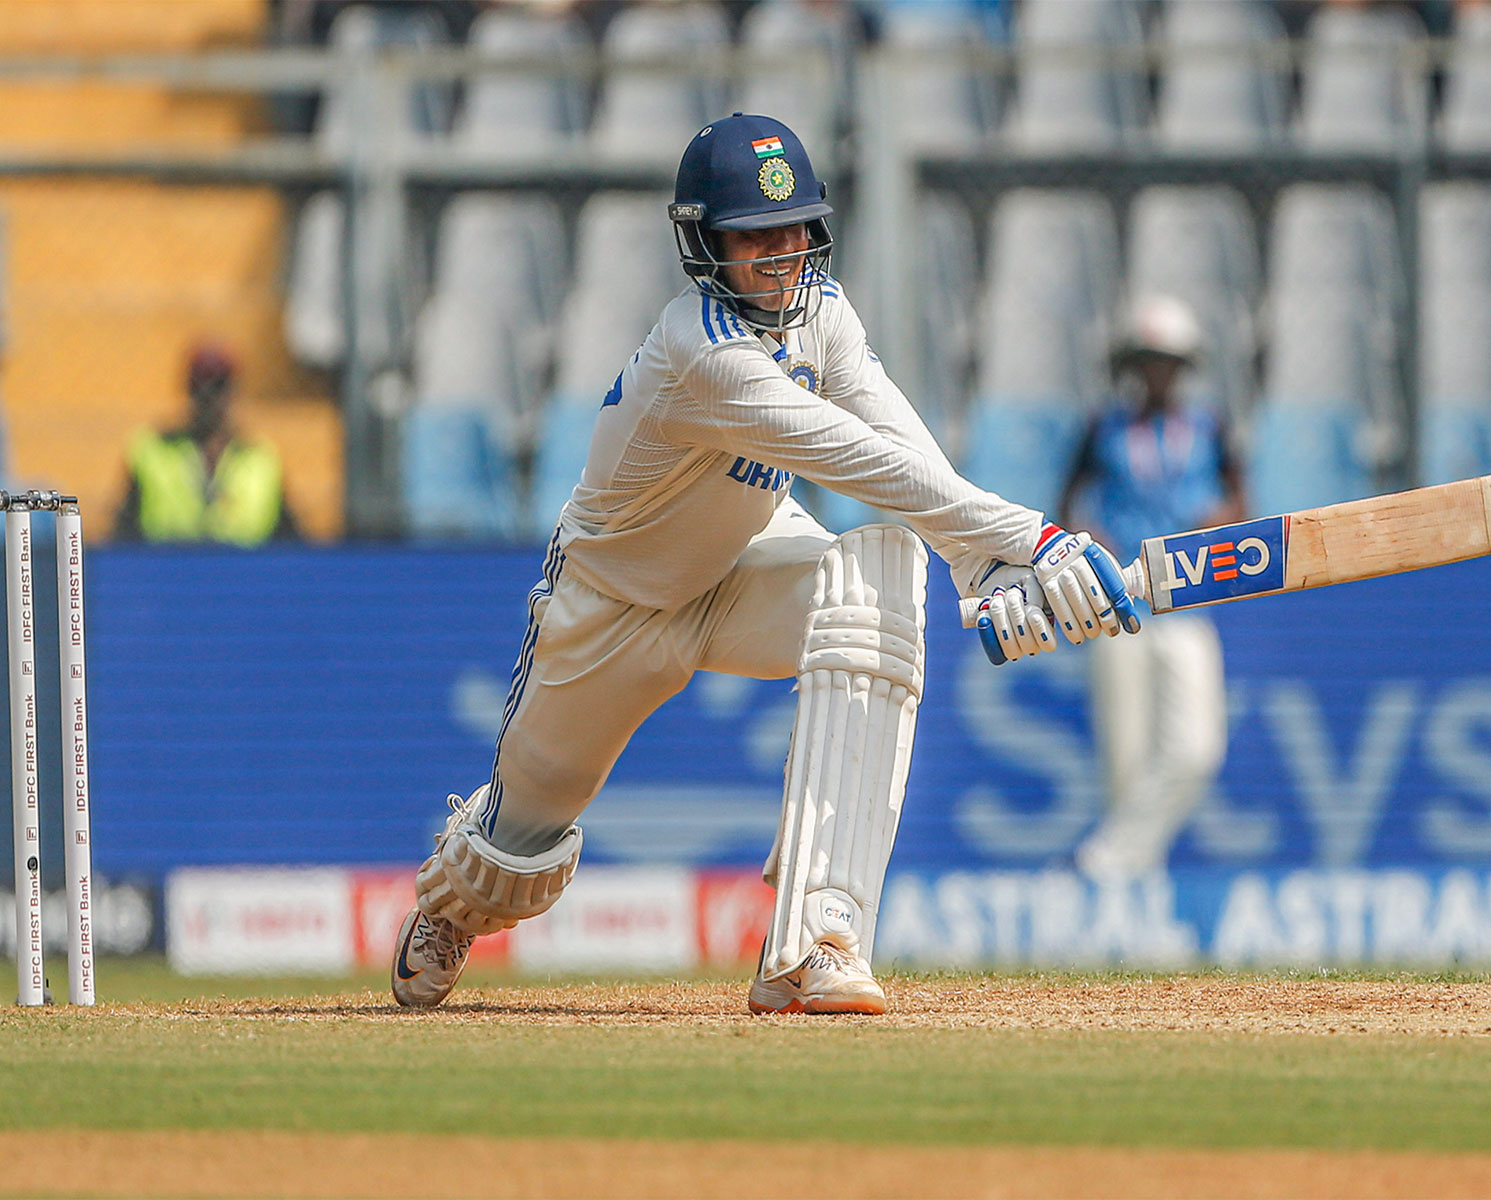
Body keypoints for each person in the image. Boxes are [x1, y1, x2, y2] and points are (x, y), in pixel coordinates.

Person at [390, 113, 1138, 1016]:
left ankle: (816, 940)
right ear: (706, 244)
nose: (782, 254)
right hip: (611, 606)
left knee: (878, 580)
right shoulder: (697, 350)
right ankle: (451, 908)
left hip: (746, 565)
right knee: (519, 839)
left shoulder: (826, 314)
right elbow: (853, 457)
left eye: (794, 229)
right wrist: (1037, 540)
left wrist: (978, 563)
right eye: (754, 236)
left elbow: (902, 442)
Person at [1062, 295, 1243, 881]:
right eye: (1146, 360)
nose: (1155, 373)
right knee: (1125, 761)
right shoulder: (1103, 427)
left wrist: (1218, 524)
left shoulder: (1210, 426)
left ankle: (1105, 862)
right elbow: (1067, 509)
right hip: (1119, 607)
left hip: (1187, 603)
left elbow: (1241, 503)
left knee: (1196, 749)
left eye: (1165, 361)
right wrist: (1089, 542)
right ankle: (1134, 902)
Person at [114, 342, 297, 546]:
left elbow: (291, 540)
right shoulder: (153, 452)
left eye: (218, 386)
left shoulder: (261, 459)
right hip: (169, 571)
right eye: (199, 387)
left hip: (244, 574)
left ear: (233, 392)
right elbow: (123, 534)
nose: (209, 396)